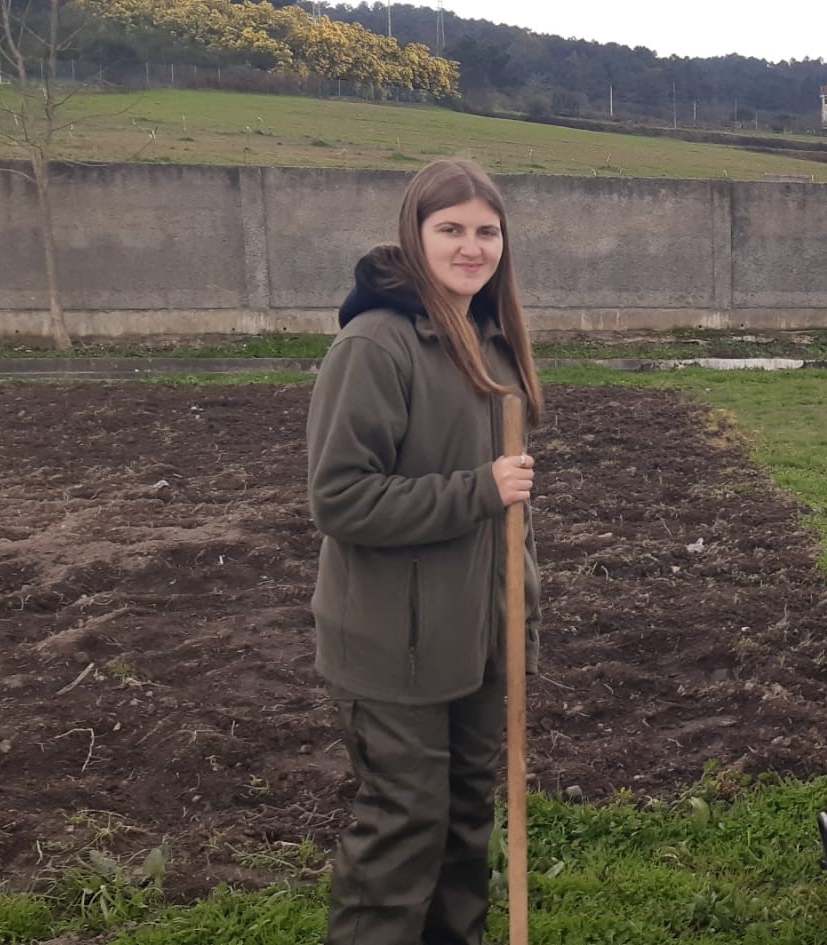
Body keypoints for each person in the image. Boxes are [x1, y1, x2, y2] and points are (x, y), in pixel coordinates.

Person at [307, 158, 543, 945]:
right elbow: (340, 497)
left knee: (465, 820)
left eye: (485, 230)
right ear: (416, 234)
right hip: (393, 645)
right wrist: (477, 488)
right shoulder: (376, 346)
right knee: (405, 827)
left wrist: (520, 612)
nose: (471, 247)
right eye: (451, 229)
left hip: (476, 637)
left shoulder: (491, 342)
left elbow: (507, 518)